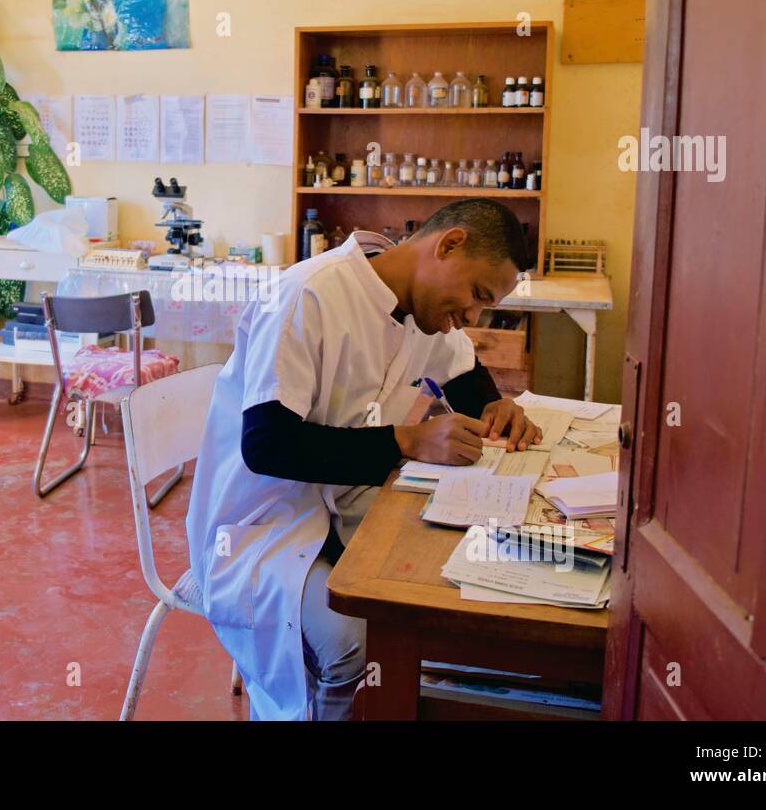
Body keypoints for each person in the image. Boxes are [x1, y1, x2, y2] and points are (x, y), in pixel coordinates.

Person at [186, 199, 542, 720]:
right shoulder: (308, 295)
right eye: (476, 295)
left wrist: (494, 406)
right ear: (448, 245)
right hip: (261, 527)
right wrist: (406, 442)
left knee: (440, 588)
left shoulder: (417, 307)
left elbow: (462, 371)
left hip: (344, 506)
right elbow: (267, 445)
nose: (471, 316)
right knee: (354, 642)